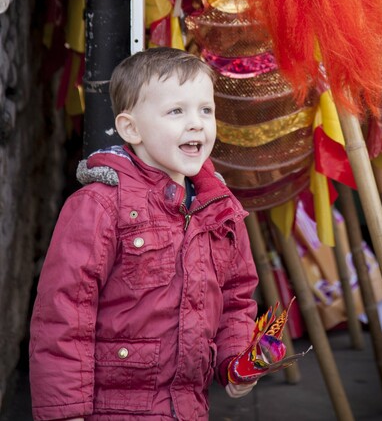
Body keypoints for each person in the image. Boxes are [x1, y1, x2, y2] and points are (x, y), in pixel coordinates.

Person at [29, 47, 260, 421]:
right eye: (176, 111)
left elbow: (236, 296)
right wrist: (65, 412)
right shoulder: (100, 205)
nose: (197, 123)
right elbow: (64, 314)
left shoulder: (219, 209)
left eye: (206, 110)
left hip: (188, 408)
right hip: (112, 409)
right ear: (130, 128)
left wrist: (235, 358)